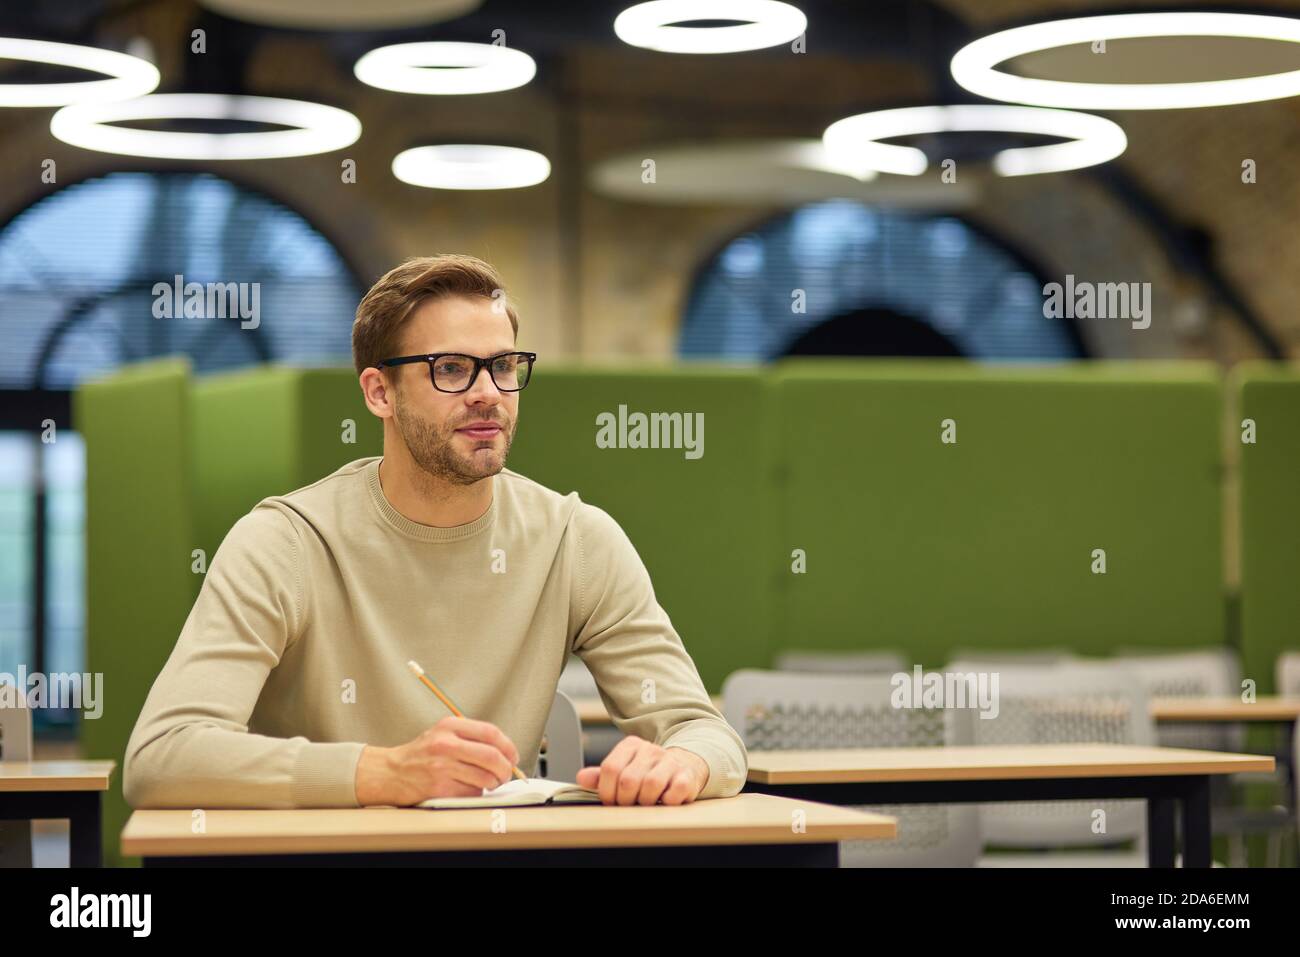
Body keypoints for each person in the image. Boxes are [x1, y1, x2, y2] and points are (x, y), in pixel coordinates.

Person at [124, 254, 747, 809]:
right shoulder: (284, 543)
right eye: (451, 368)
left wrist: (680, 761)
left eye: (504, 366)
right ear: (379, 392)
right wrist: (384, 772)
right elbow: (162, 757)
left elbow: (705, 731)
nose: (488, 394)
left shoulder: (575, 540)